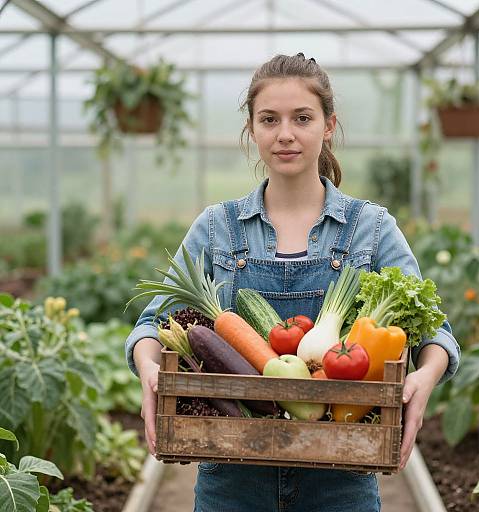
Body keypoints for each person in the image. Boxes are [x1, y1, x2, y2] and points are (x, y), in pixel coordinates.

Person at [125, 53, 460, 512]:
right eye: (269, 119)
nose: (285, 134)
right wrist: (148, 369)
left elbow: (435, 333)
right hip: (232, 472)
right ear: (252, 129)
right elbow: (152, 322)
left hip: (342, 472)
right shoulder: (217, 226)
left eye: (302, 118)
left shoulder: (371, 227)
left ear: (327, 126)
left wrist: (424, 376)